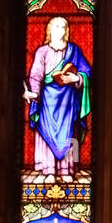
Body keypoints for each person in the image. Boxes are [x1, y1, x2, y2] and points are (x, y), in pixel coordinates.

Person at [24, 16, 91, 182]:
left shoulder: (74, 50)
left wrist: (76, 79)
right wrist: (35, 94)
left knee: (69, 132)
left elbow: (86, 70)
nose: (60, 30)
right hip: (48, 100)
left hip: (68, 100)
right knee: (47, 131)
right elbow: (36, 75)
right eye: (56, 27)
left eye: (63, 27)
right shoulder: (42, 51)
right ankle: (49, 170)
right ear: (49, 30)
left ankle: (68, 170)